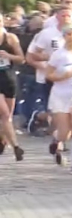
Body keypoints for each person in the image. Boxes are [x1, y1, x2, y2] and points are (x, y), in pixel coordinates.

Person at [45, 23, 72, 173]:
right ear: (63, 36)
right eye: (68, 34)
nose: (71, 37)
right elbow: (48, 75)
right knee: (65, 132)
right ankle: (57, 140)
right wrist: (62, 76)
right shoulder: (58, 55)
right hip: (60, 95)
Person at [0, 13, 25, 160]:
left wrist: (8, 56)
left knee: (7, 116)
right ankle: (16, 147)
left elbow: (22, 59)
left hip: (9, 79)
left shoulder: (10, 38)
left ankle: (2, 139)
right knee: (3, 113)